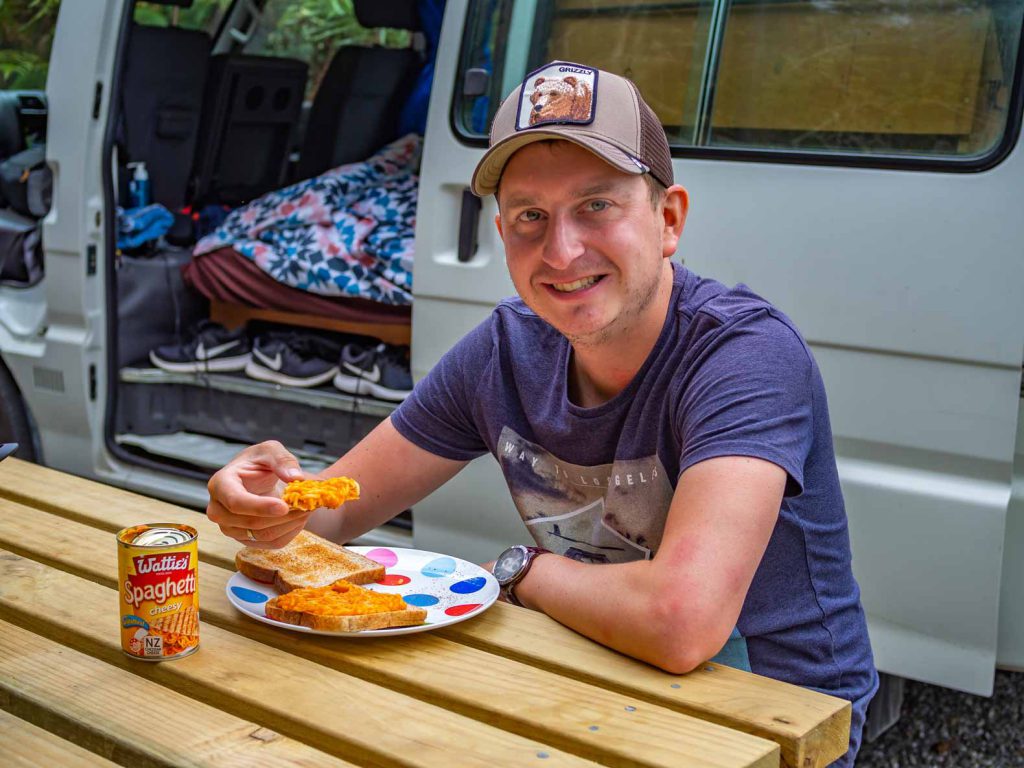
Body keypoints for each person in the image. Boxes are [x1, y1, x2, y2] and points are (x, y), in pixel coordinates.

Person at [207, 61, 878, 764]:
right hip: (606, 685)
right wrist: (262, 506)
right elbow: (335, 514)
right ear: (502, 232)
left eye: (596, 206)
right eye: (532, 216)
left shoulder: (744, 356)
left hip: (777, 722)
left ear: (667, 219)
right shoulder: (503, 349)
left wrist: (519, 570)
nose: (561, 251)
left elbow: (681, 621)